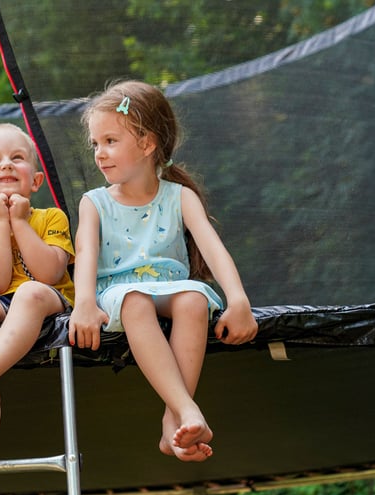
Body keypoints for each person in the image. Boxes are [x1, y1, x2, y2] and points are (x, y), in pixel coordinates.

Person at [68, 80, 258, 462]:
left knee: (193, 300)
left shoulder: (179, 197)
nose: (99, 154)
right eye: (95, 144)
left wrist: (239, 301)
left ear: (147, 143)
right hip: (117, 292)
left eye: (110, 141)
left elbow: (213, 249)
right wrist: (84, 304)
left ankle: (172, 424)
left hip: (170, 287)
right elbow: (86, 253)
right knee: (135, 301)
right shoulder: (95, 203)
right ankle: (186, 411)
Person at [0, 123, 75, 434]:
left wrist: (19, 221)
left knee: (29, 292)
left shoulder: (51, 217)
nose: (6, 163)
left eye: (17, 157)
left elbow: (50, 274)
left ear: (35, 181)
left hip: (50, 301)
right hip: (2, 302)